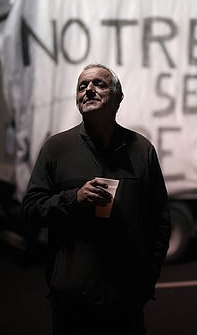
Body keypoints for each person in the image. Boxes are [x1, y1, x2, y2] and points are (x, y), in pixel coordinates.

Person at [22, 63, 171, 334]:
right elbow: (31, 210)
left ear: (118, 97)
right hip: (72, 302)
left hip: (124, 303)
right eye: (82, 86)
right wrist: (73, 199)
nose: (88, 90)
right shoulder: (57, 149)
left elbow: (160, 220)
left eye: (99, 84)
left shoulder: (141, 150)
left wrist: (147, 280)